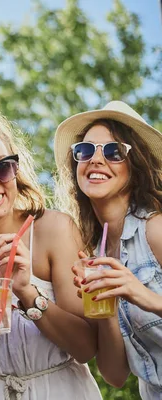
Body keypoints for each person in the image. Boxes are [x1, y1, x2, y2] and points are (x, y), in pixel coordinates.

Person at [0, 105, 101, 399]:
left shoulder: (54, 230)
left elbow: (86, 348)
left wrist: (27, 292)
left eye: (2, 166)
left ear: (15, 169)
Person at [55, 101, 162, 399]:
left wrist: (142, 295)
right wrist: (107, 311)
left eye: (113, 151)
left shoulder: (155, 230)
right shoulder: (89, 255)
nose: (96, 160)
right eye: (86, 151)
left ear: (135, 165)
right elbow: (115, 375)